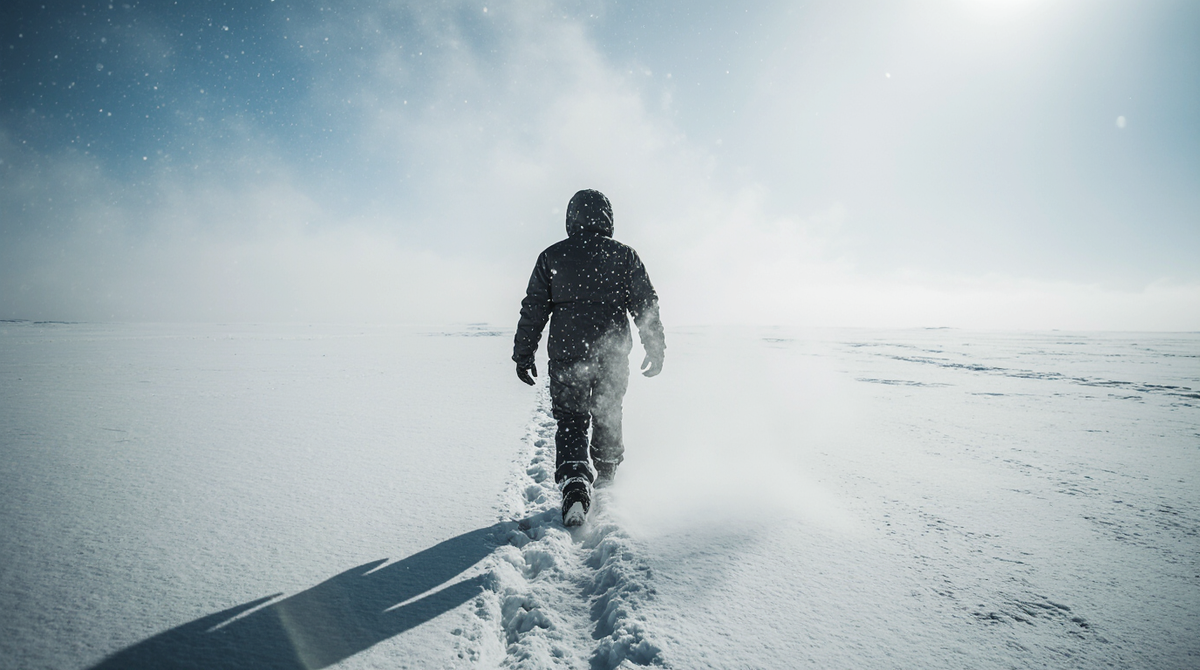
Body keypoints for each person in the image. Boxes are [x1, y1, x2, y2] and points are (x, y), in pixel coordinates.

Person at [513, 189, 666, 527]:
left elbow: (534, 309)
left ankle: (575, 483)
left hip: (568, 355)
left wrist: (524, 353)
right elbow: (645, 304)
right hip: (611, 355)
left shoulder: (553, 256)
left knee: (571, 420)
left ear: (572, 218)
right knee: (608, 411)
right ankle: (608, 476)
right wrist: (655, 346)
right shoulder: (623, 256)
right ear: (607, 218)